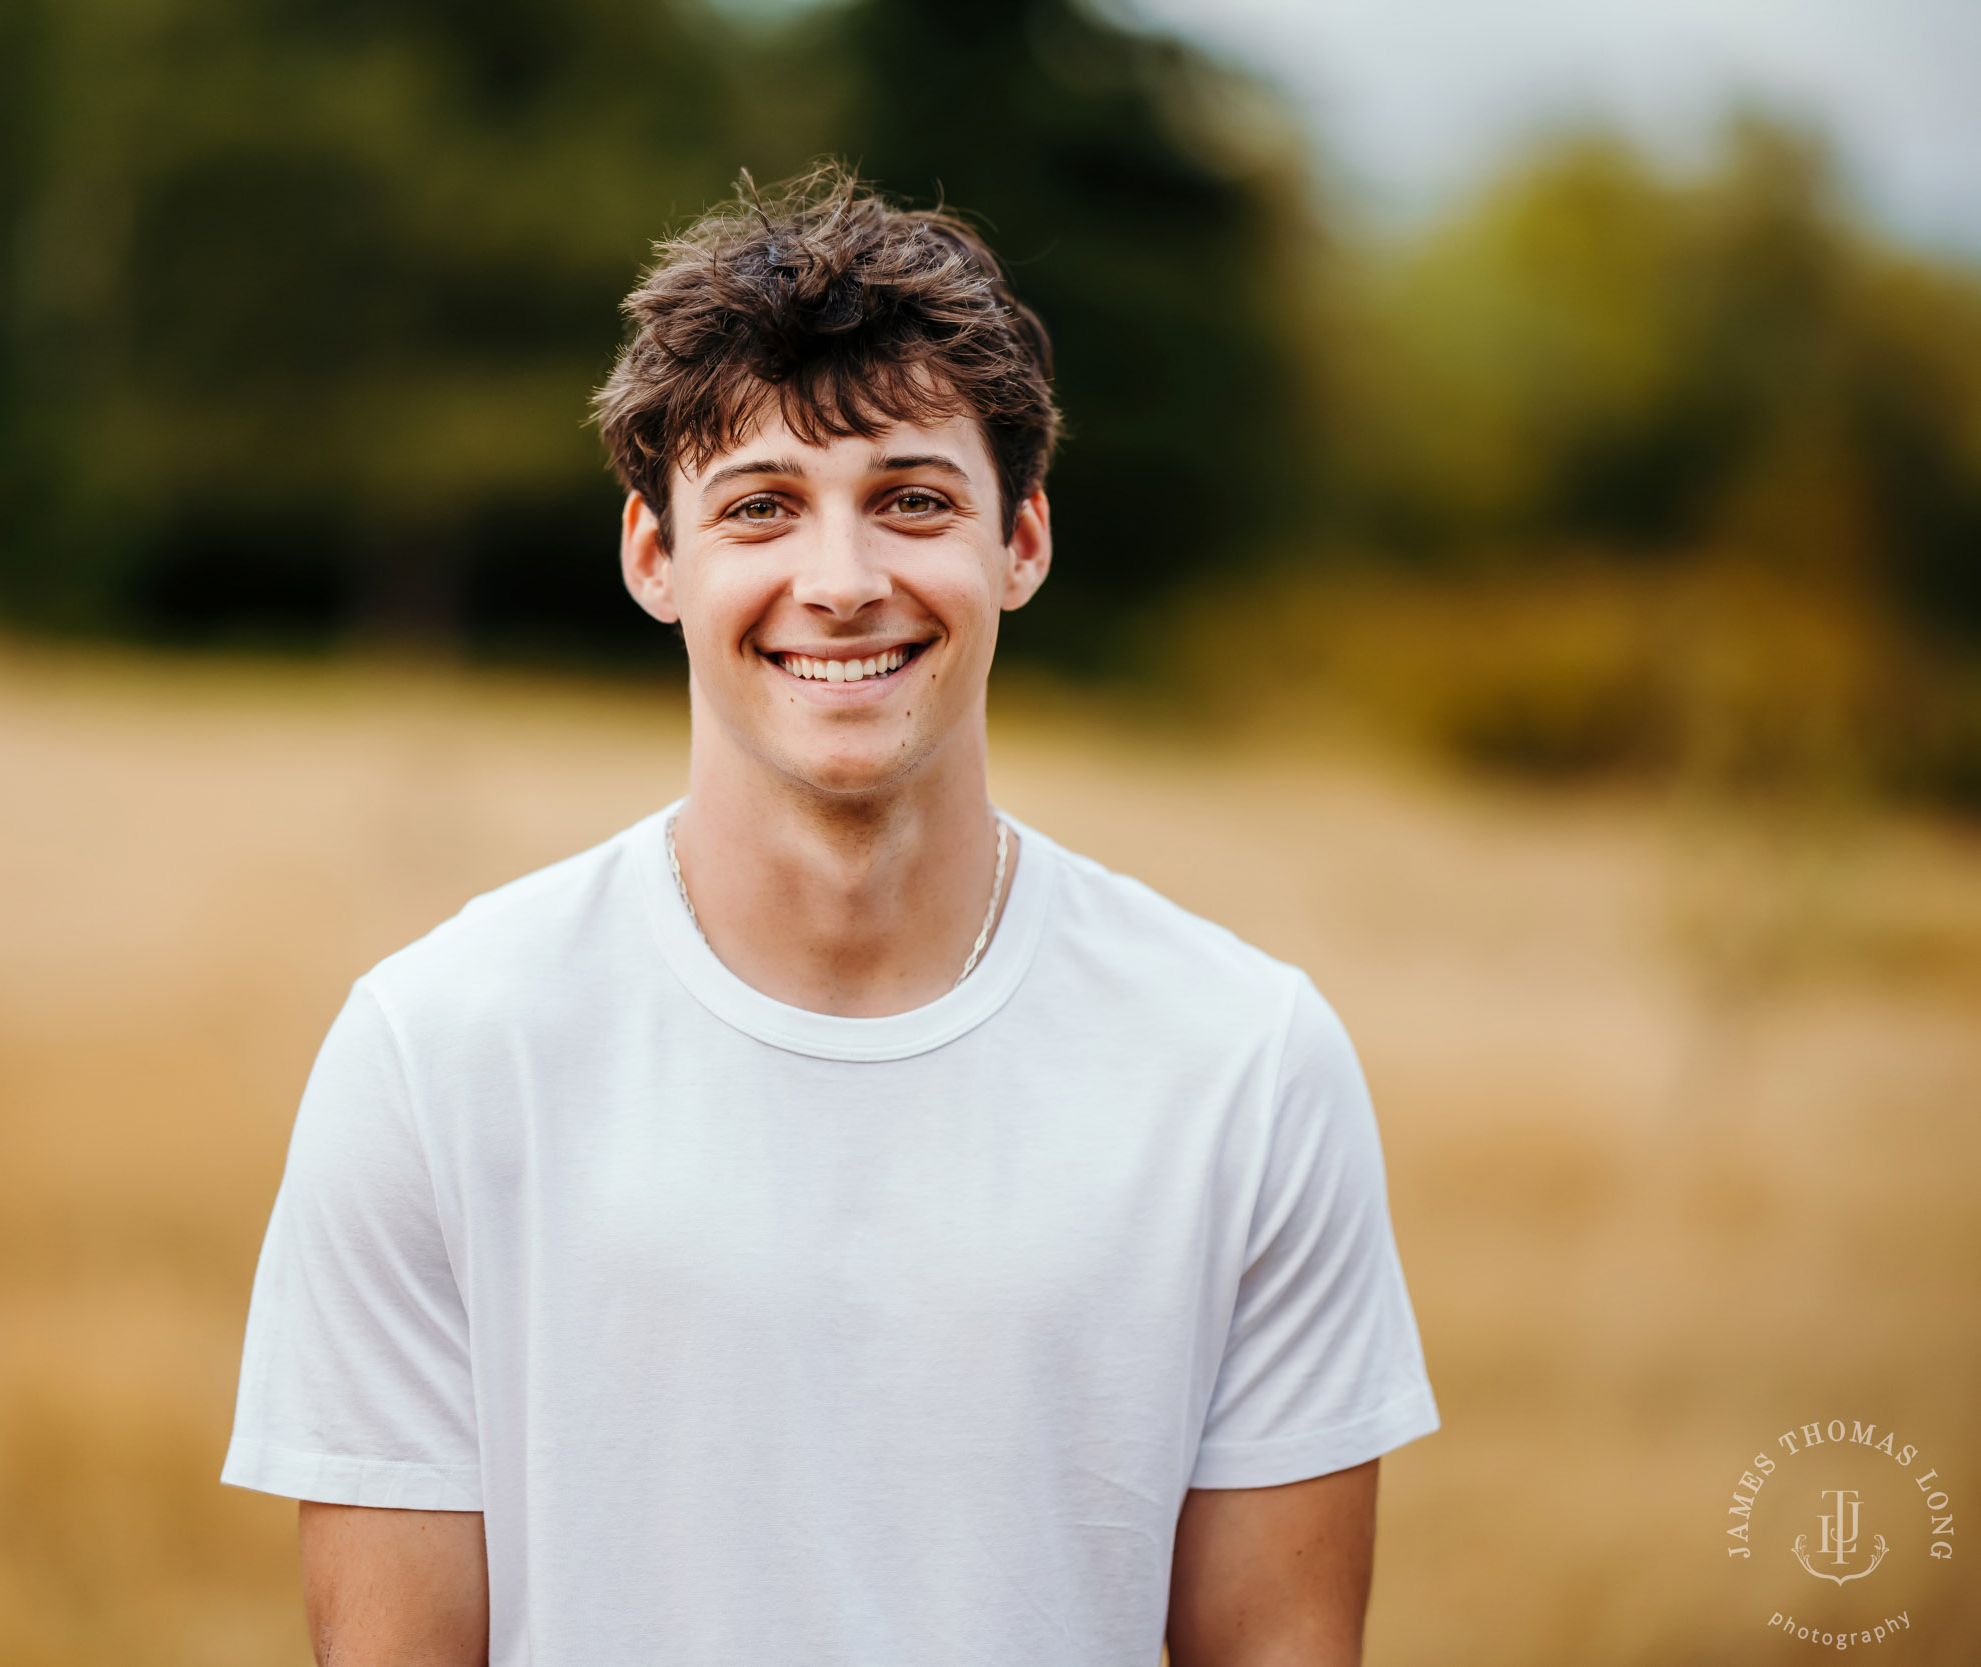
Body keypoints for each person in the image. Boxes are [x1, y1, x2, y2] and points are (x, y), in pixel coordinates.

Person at [223, 164, 1437, 1666]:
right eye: (763, 506)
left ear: (1025, 542)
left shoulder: (1246, 1068)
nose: (843, 581)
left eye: (914, 501)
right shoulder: (436, 1056)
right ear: (654, 555)